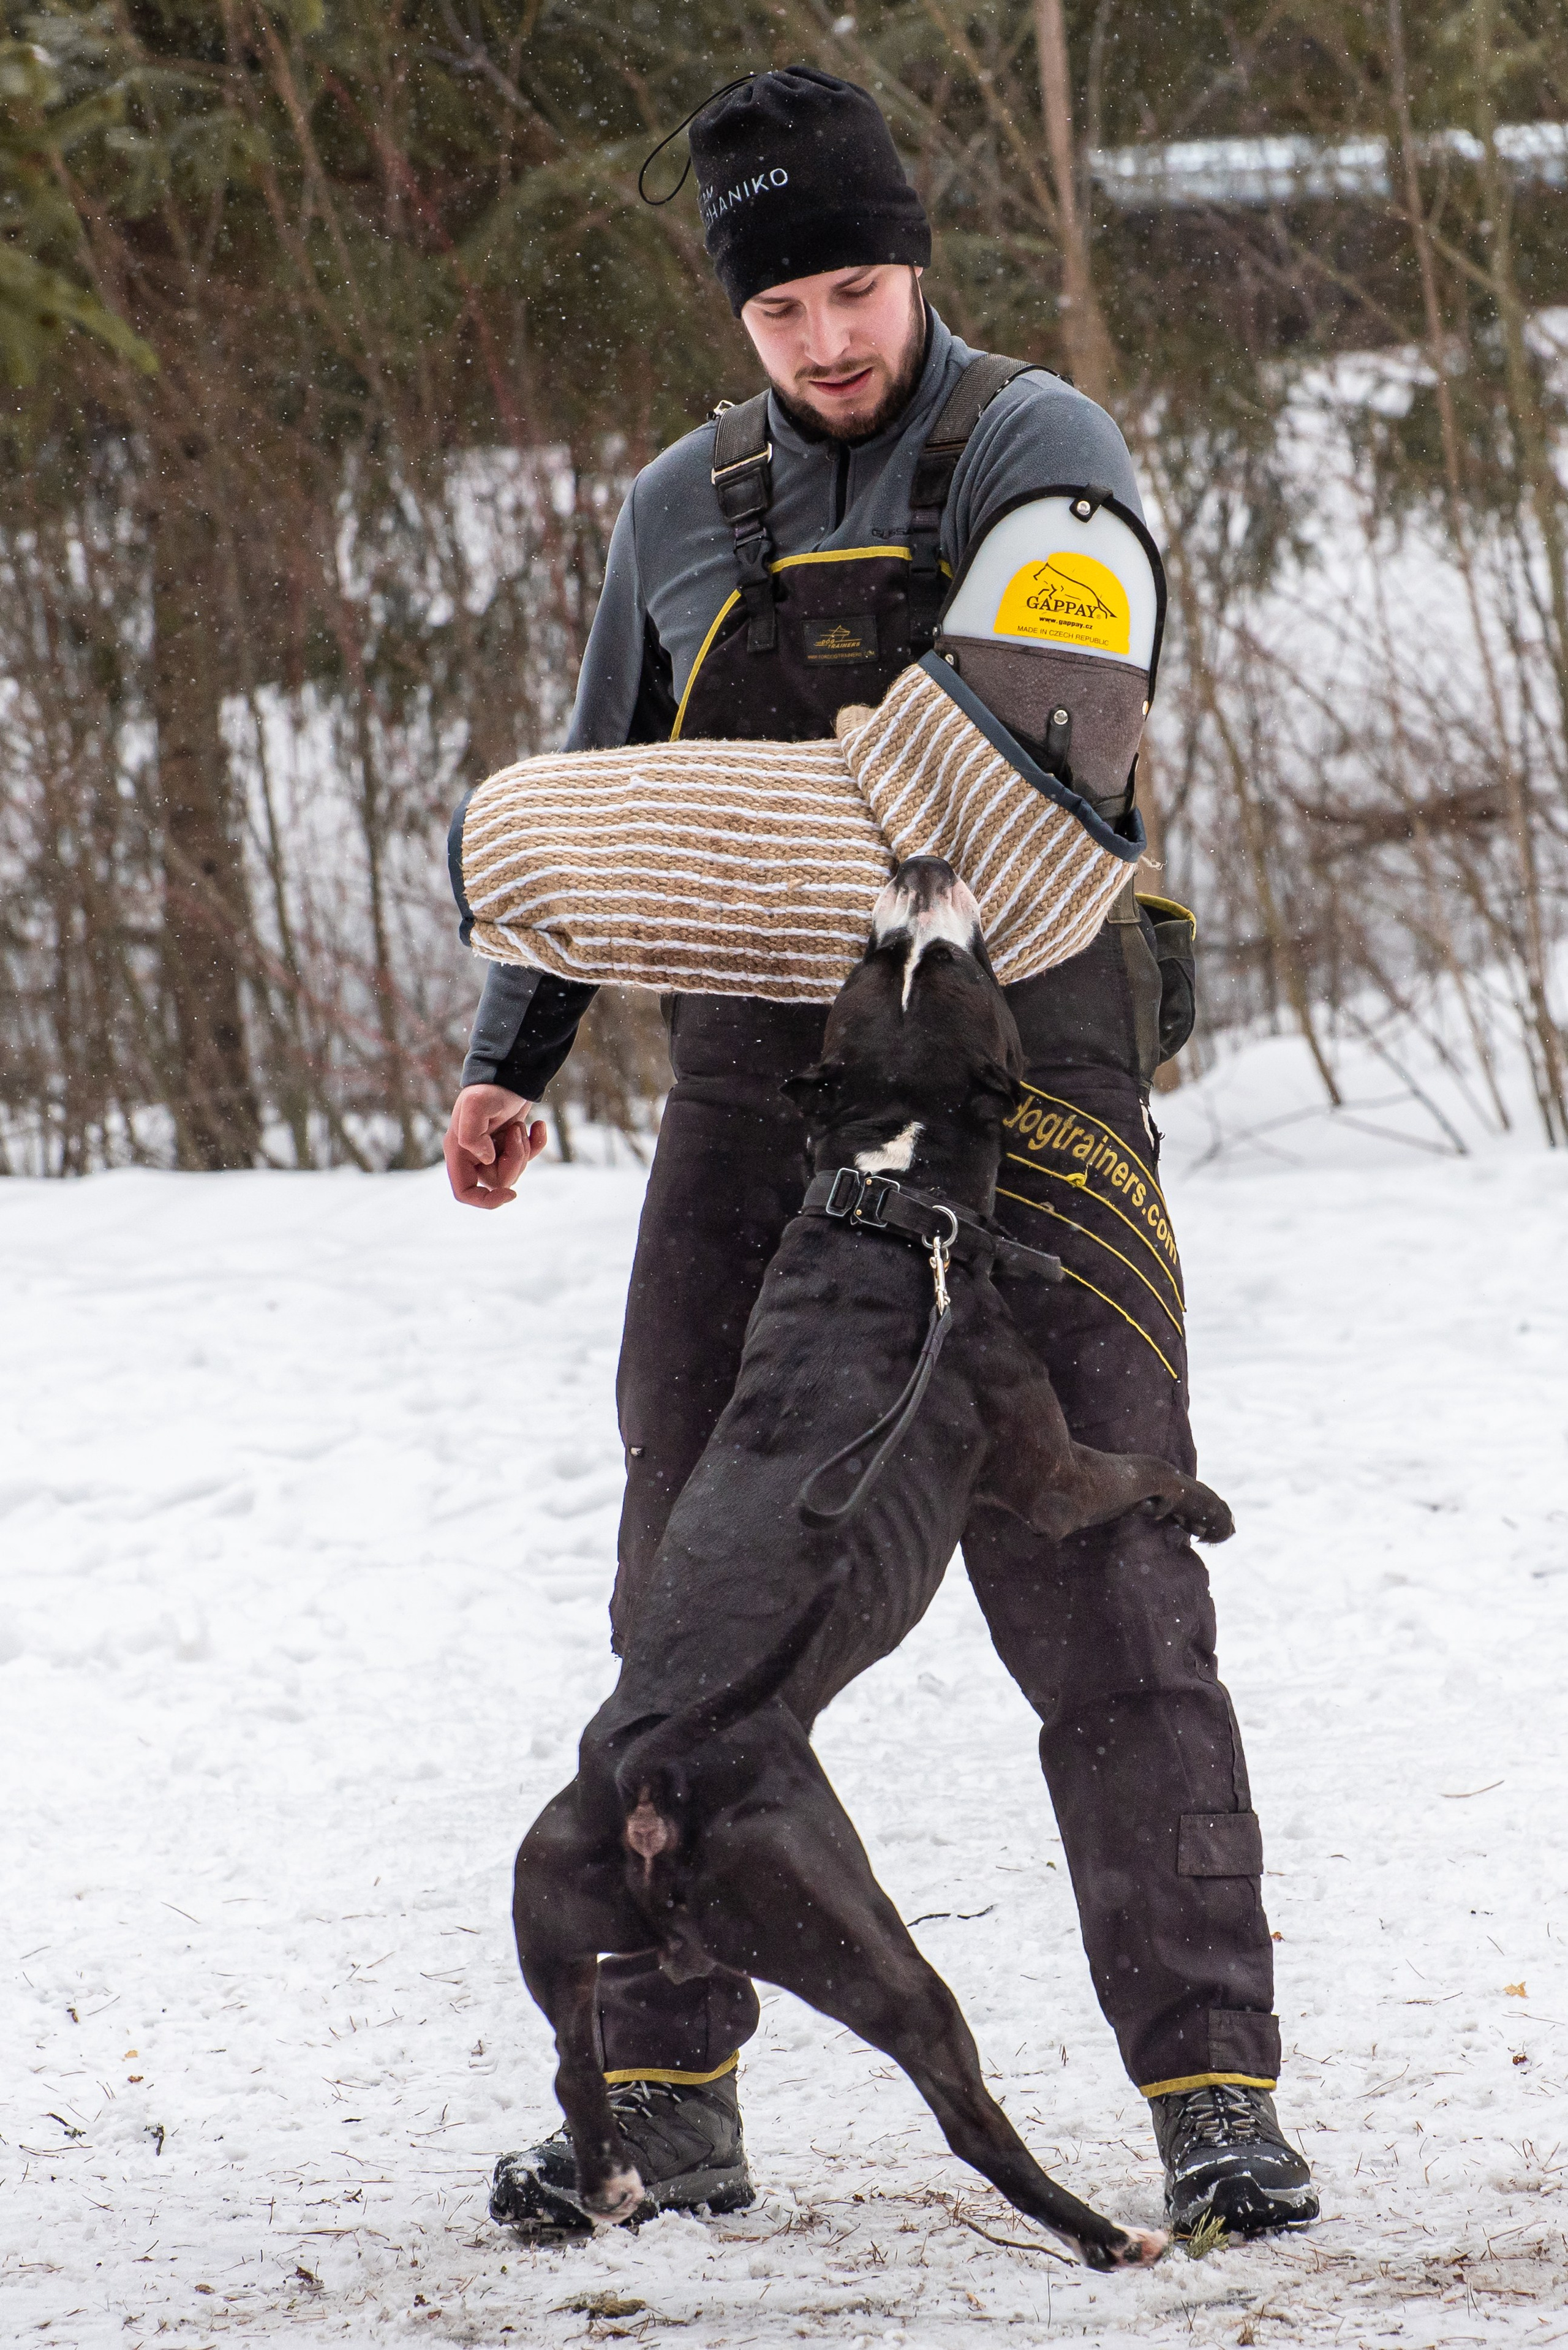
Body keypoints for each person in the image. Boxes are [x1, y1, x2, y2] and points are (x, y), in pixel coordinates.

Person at [445, 66, 1317, 2243]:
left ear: (911, 261)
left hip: (1031, 1055)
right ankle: (662, 2095)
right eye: (784, 310)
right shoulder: (676, 511)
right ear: (736, 318)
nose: (828, 339)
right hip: (756, 1072)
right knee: (681, 1573)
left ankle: (1212, 2096)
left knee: (1106, 1557)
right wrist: (512, 1047)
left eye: (853, 287)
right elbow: (602, 786)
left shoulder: (1042, 452)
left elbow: (1037, 769)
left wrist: (851, 835)